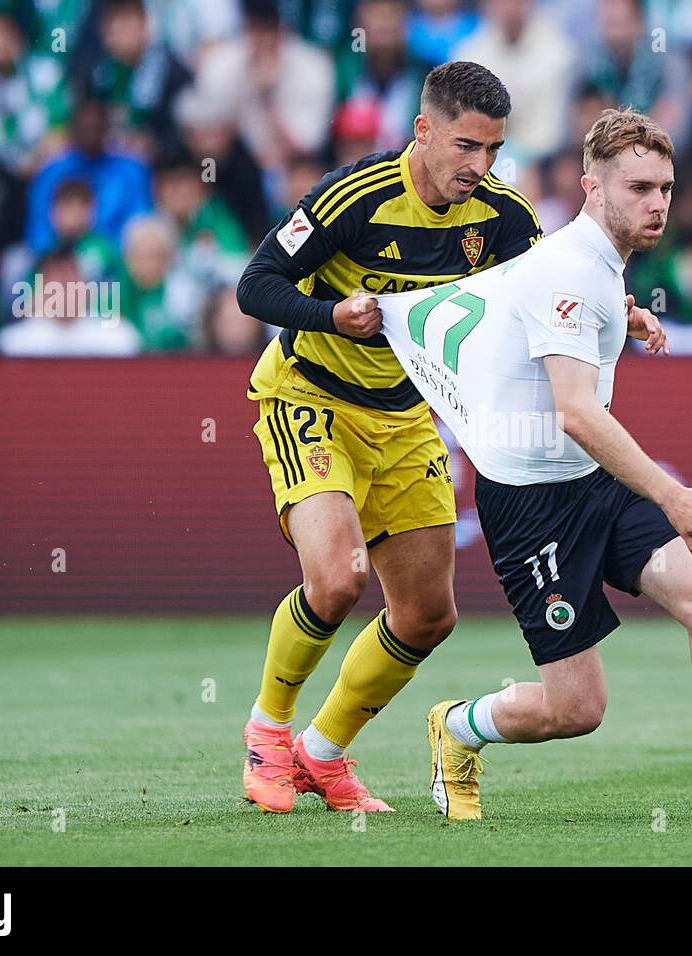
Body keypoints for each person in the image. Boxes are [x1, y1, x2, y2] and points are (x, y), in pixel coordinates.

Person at [374, 108, 692, 823]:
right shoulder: (569, 270)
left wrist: (625, 312)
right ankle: (456, 728)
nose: (657, 204)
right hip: (532, 508)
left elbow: (547, 307)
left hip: (593, 484)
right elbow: (578, 414)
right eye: (639, 187)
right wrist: (673, 495)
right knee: (577, 710)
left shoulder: (592, 268)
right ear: (592, 187)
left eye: (666, 188)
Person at [233, 61, 544, 814]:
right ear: (423, 130)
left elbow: (547, 295)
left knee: (428, 615)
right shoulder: (354, 196)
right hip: (310, 397)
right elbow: (256, 285)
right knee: (337, 578)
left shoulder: (500, 217)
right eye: (467, 146)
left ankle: (322, 753)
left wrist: (620, 311)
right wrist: (331, 314)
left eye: (494, 150)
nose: (480, 166)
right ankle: (268, 733)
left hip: (406, 415)